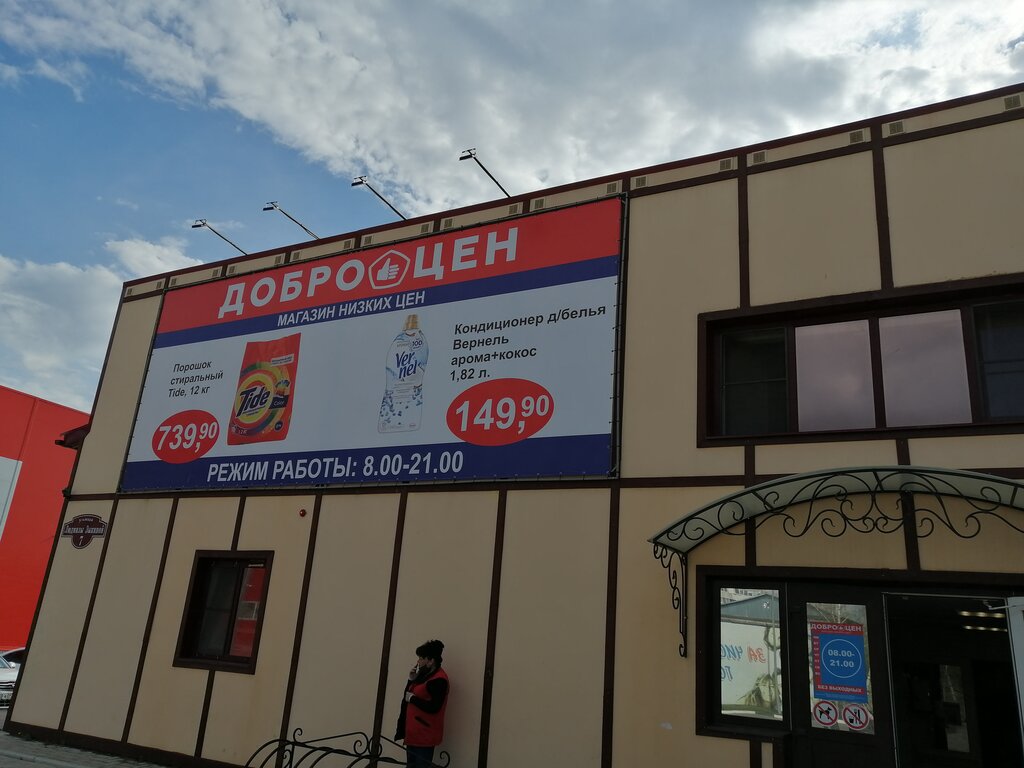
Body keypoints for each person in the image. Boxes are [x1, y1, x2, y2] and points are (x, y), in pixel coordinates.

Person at [395, 639, 449, 768]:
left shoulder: (439, 680)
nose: (418, 662)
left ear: (431, 661)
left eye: (421, 658)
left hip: (424, 735)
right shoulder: (424, 675)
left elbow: (434, 707)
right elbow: (407, 696)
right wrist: (411, 679)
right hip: (413, 734)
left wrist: (413, 699)